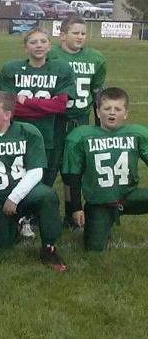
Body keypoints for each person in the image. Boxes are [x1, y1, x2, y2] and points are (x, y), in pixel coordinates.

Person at [0, 92, 67, 272]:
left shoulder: (28, 132)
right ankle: (16, 225)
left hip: (24, 194)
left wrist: (14, 197)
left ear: (7, 115)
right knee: (0, 246)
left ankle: (49, 248)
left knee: (47, 195)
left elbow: (36, 171)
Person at [62, 87, 148, 252]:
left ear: (126, 113)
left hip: (129, 195)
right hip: (100, 202)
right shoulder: (81, 136)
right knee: (94, 249)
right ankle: (103, 221)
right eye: (107, 108)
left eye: (118, 109)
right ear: (98, 111)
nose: (112, 113)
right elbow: (73, 176)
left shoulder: (137, 134)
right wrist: (77, 207)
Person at [48, 15, 107, 228]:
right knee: (48, 168)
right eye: (75, 33)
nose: (80, 37)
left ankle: (72, 212)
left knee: (73, 170)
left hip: (80, 120)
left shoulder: (95, 58)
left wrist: (100, 126)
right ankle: (36, 213)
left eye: (83, 33)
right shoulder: (52, 55)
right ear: (62, 35)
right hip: (54, 120)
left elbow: (97, 93)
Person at [0, 27, 76, 187]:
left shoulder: (62, 69)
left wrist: (27, 102)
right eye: (33, 42)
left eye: (43, 41)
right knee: (16, 180)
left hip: (50, 135)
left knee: (45, 183)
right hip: (17, 134)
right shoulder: (10, 69)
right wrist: (46, 107)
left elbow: (60, 105)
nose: (39, 45)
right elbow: (7, 107)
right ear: (25, 48)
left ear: (49, 46)